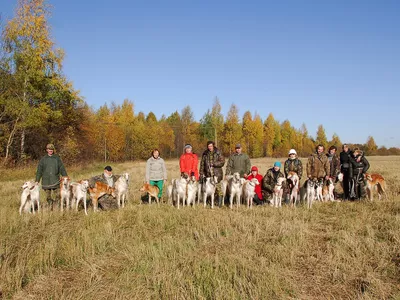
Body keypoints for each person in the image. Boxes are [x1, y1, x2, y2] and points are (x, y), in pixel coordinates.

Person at [35, 143, 68, 211]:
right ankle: (51, 205)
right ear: (47, 150)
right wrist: (37, 180)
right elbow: (39, 170)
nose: (50, 150)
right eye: (49, 149)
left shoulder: (57, 158)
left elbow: (61, 168)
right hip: (46, 181)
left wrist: (65, 176)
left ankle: (56, 206)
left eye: (52, 149)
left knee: (58, 195)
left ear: (53, 150)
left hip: (55, 180)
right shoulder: (43, 159)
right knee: (48, 197)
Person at [199, 141, 225, 206]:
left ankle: (219, 203)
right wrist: (201, 173)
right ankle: (209, 201)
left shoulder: (218, 152)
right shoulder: (205, 153)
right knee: (208, 188)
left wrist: (214, 164)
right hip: (208, 174)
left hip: (217, 174)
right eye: (208, 146)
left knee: (218, 188)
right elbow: (202, 164)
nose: (209, 147)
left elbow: (222, 162)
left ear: (213, 146)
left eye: (211, 146)